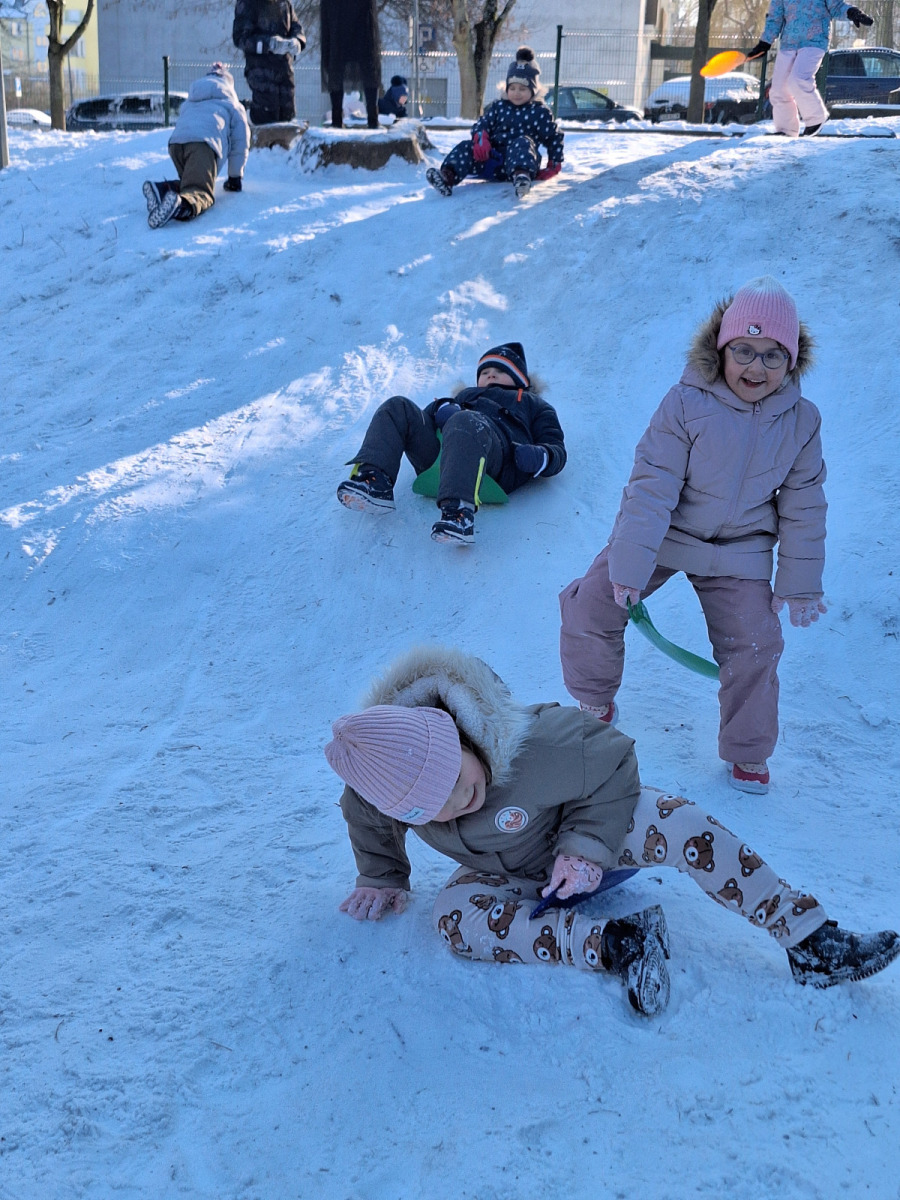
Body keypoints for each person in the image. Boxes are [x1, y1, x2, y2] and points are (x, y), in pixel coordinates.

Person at [325, 646, 899, 1017]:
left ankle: (807, 937)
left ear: (458, 736)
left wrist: (582, 848)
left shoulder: (536, 745)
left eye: (456, 779)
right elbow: (366, 814)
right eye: (431, 809)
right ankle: (619, 943)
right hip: (515, 875)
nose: (457, 803)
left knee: (679, 819)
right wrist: (381, 875)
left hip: (599, 843)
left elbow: (615, 760)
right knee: (451, 918)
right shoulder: (381, 788)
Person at [559, 277, 827, 795]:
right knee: (592, 602)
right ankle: (594, 697)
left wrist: (798, 583)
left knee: (757, 643)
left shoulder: (802, 421)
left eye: (773, 355)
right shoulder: (686, 403)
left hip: (741, 550)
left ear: (791, 362)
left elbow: (804, 505)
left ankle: (748, 749)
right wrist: (628, 569)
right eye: (744, 350)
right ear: (721, 349)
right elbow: (651, 486)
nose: (756, 367)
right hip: (669, 532)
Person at [335, 342, 566, 545]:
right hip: (442, 455)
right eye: (485, 372)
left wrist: (542, 457)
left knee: (466, 420)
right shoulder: (466, 396)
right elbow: (423, 420)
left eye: (500, 371)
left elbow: (555, 446)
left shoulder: (534, 405)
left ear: (520, 379)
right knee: (398, 407)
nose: (491, 376)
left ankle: (459, 513)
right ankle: (373, 480)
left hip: (496, 461)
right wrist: (441, 407)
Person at [425, 47, 563, 201]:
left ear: (533, 90)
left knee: (522, 141)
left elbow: (554, 137)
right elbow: (482, 124)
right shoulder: (499, 107)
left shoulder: (539, 111)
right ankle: (447, 176)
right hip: (492, 161)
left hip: (522, 163)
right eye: (512, 88)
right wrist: (481, 138)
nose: (516, 93)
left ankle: (521, 179)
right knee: (466, 146)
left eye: (522, 89)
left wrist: (554, 163)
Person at [142, 64, 250, 230]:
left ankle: (162, 190)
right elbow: (240, 143)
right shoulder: (232, 104)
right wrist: (235, 177)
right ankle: (182, 206)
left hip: (176, 145)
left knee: (192, 180)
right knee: (201, 190)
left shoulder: (192, 99)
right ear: (229, 85)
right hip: (202, 144)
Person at [745, 0, 873, 136]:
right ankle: (786, 129)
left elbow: (836, 6)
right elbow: (775, 17)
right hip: (789, 43)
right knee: (778, 89)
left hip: (815, 42)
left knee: (798, 79)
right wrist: (765, 42)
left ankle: (816, 118)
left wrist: (852, 12)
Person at [232, 0, 305, 126]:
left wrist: (297, 41)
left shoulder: (284, 3)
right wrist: (268, 44)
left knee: (287, 114)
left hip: (285, 69)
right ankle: (244, 117)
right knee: (266, 115)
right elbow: (240, 37)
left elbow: (296, 26)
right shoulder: (248, 3)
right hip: (260, 70)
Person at [320, 0, 383, 130]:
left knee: (340, 68)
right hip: (352, 24)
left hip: (344, 24)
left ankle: (339, 120)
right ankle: (371, 119)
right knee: (367, 68)